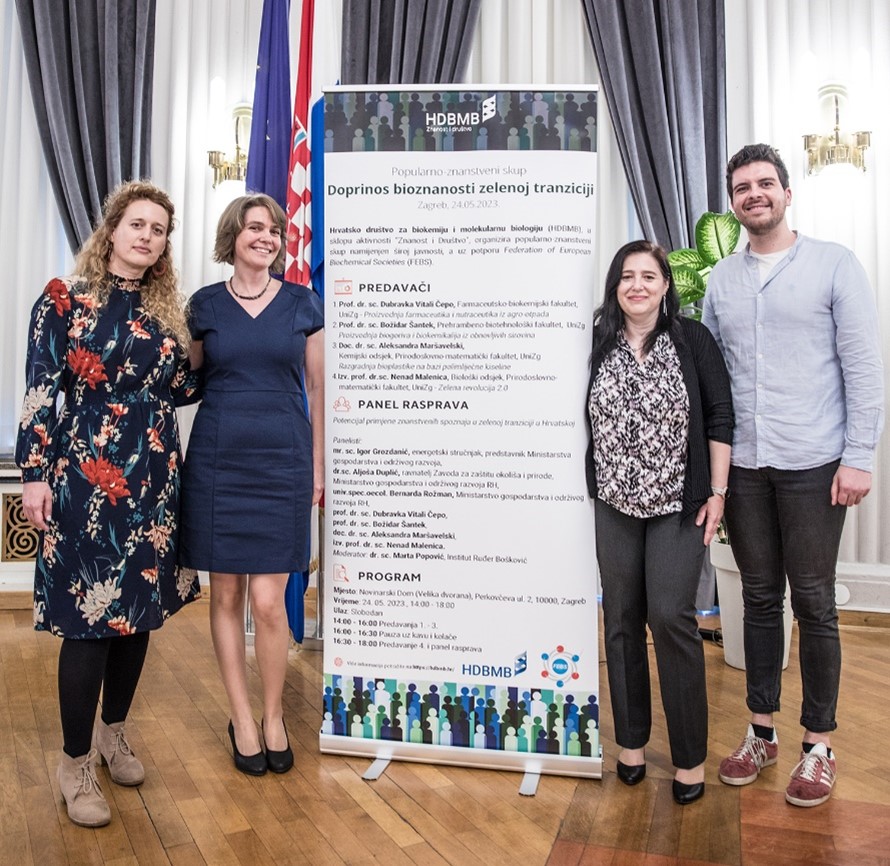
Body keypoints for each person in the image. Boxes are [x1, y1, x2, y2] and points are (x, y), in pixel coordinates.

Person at [16, 181, 201, 827]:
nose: (147, 235)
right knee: (89, 618)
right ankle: (75, 765)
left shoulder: (164, 312)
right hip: (84, 476)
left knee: (139, 616)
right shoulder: (65, 299)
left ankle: (112, 732)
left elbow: (180, 390)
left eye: (159, 229)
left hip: (153, 475)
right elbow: (42, 388)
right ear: (112, 230)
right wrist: (33, 475)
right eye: (138, 224)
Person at [703, 144, 884, 807]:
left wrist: (860, 455)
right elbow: (713, 381)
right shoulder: (721, 279)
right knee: (756, 598)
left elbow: (864, 366)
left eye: (764, 183)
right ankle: (761, 733)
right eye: (742, 187)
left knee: (812, 601)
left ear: (786, 192)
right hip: (746, 466)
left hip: (815, 462)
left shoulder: (835, 265)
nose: (754, 194)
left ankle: (818, 745)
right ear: (733, 201)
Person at [180, 194, 324, 776]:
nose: (265, 236)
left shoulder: (302, 302)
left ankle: (272, 716)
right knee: (227, 596)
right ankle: (240, 717)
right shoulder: (204, 305)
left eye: (273, 229)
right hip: (217, 462)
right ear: (232, 236)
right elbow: (183, 380)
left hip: (283, 462)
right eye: (253, 228)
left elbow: (317, 392)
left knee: (269, 602)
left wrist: (317, 466)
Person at [585, 240, 733, 805]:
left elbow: (720, 414)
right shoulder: (599, 341)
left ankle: (690, 756)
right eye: (627, 276)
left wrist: (718, 492)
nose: (638, 285)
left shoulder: (692, 340)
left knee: (671, 618)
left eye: (649, 276)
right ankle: (631, 744)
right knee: (620, 620)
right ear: (615, 287)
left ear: (666, 285)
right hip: (614, 504)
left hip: (680, 504)